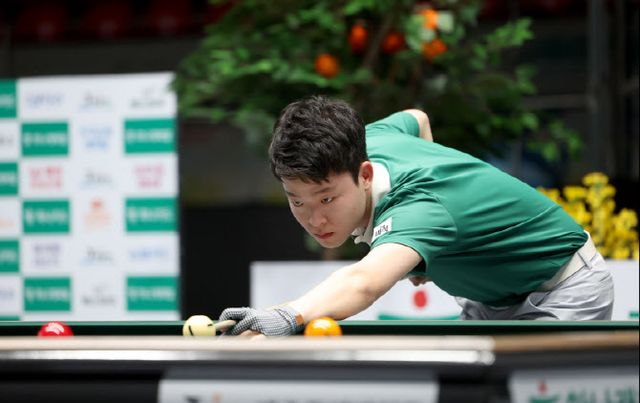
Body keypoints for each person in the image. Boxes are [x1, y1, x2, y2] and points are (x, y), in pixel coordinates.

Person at [219, 95, 614, 336]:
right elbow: (417, 117)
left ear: (365, 175)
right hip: (491, 300)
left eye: (326, 199)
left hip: (564, 289)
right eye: (297, 201)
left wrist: (288, 314)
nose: (314, 219)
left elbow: (363, 282)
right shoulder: (366, 139)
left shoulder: (419, 210)